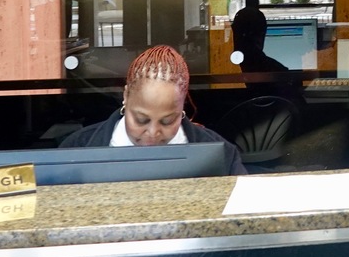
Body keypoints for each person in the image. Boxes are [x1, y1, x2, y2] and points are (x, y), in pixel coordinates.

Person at [60, 45, 247, 174]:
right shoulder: (75, 150)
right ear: (125, 96)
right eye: (141, 119)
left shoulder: (222, 155)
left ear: (183, 106)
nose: (153, 133)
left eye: (168, 121)